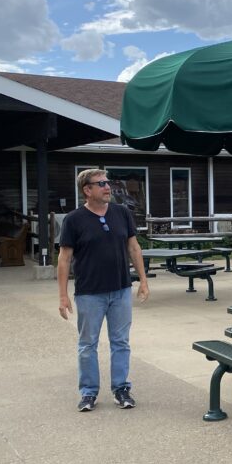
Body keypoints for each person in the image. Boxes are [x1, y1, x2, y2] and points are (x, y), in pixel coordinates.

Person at [58, 169, 149, 412]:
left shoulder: (122, 213)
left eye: (108, 182)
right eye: (101, 184)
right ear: (87, 190)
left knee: (121, 342)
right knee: (87, 345)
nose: (107, 187)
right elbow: (64, 259)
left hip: (120, 290)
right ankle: (88, 393)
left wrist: (143, 280)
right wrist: (63, 295)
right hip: (89, 293)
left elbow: (134, 248)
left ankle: (121, 389)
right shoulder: (74, 220)